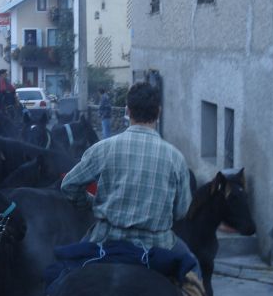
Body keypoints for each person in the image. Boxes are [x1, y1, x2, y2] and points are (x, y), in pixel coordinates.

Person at [60, 81, 197, 271]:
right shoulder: (176, 158)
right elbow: (181, 210)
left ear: (127, 111)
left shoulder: (103, 149)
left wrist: (91, 203)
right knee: (194, 269)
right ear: (159, 112)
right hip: (158, 244)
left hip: (105, 238)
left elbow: (69, 185)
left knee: (65, 274)